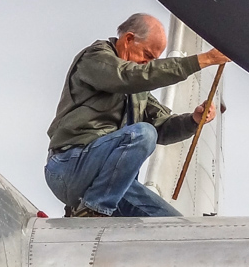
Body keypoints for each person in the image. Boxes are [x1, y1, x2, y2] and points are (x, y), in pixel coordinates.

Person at [45, 13, 228, 217]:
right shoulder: (96, 59)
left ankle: (94, 208)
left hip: (110, 183)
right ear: (129, 39)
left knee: (175, 228)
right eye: (147, 56)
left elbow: (162, 126)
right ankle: (93, 211)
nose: (147, 64)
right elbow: (129, 77)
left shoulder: (136, 89)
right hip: (70, 168)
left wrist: (193, 120)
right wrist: (203, 60)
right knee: (143, 134)